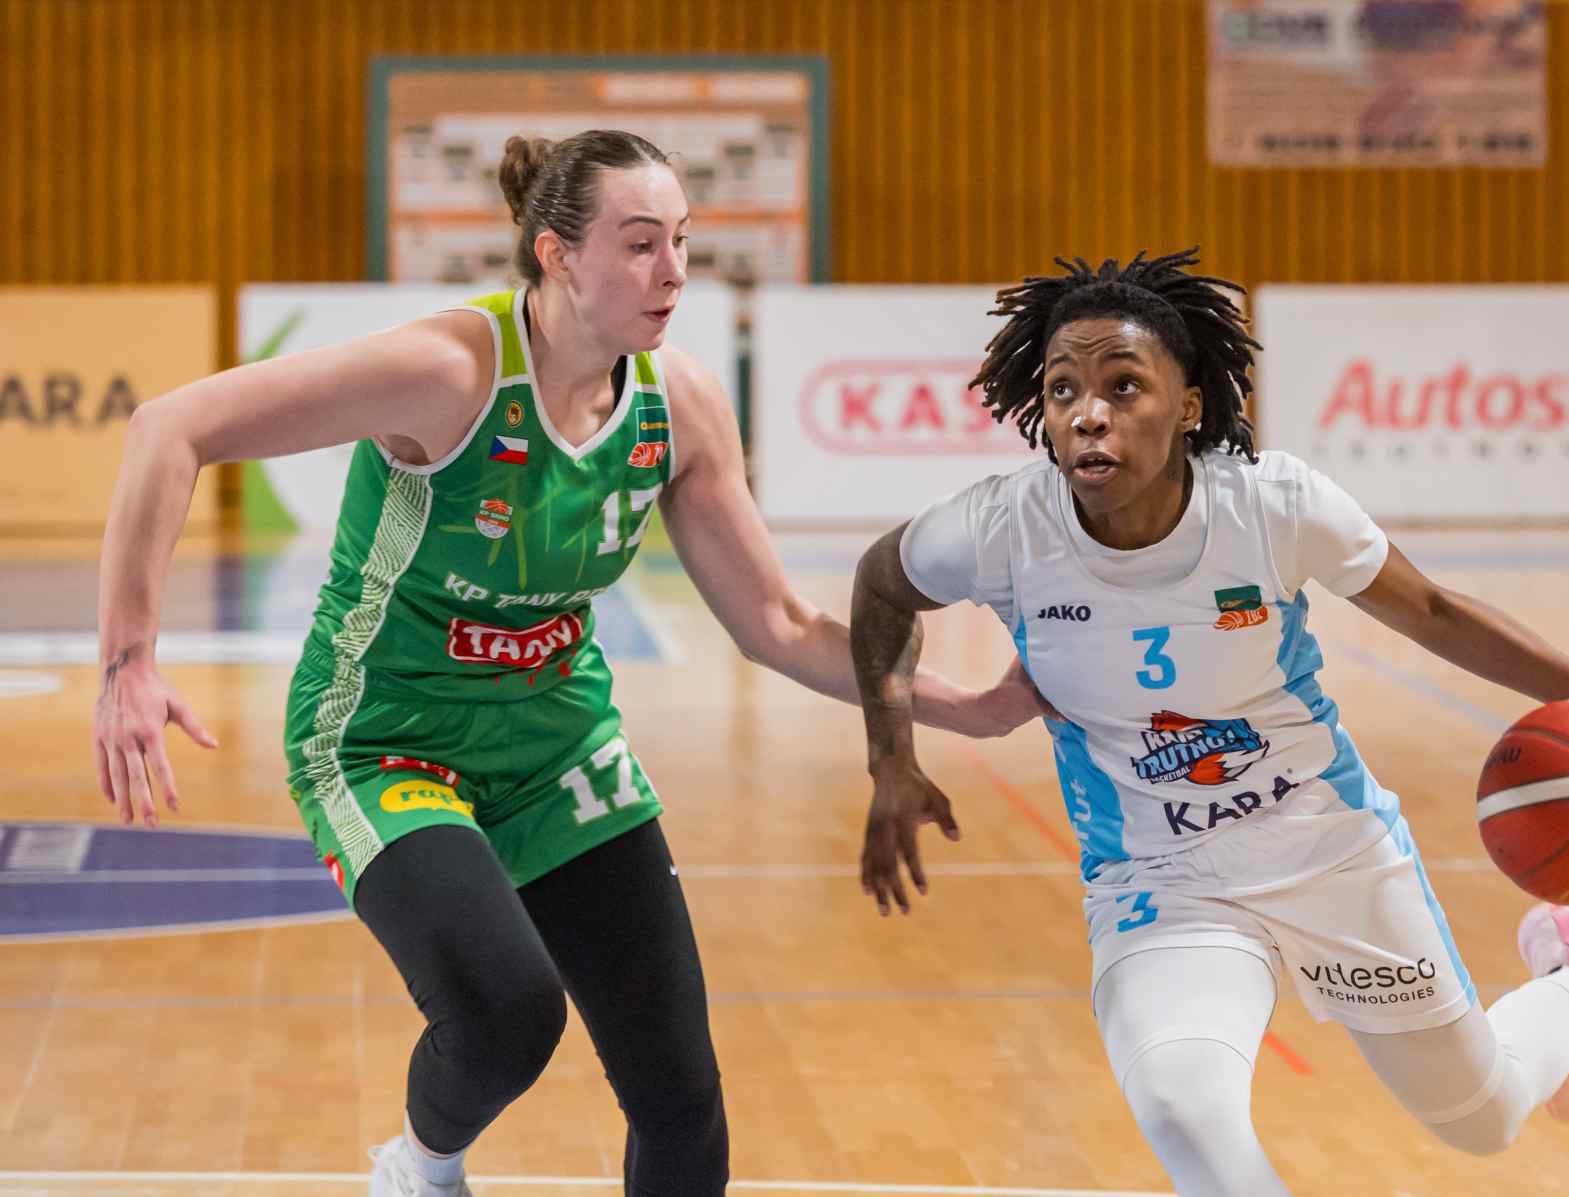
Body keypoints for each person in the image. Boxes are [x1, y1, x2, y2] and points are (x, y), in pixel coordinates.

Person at [91, 129, 1048, 1197]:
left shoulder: (678, 405)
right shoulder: (447, 371)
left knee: (682, 1104)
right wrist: (129, 661)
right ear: (555, 254)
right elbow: (170, 428)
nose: (673, 271)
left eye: (681, 240)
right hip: (382, 740)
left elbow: (779, 621)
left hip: (558, 751)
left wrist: (962, 707)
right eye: (640, 244)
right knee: (509, 1012)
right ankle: (420, 1168)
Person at [848, 249, 1569, 1195]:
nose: (1088, 412)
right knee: (1183, 1107)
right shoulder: (1004, 527)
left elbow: (1434, 612)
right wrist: (892, 758)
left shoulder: (1271, 505)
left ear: (1189, 406)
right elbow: (882, 587)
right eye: (1062, 390)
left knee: (1483, 1115)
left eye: (1123, 385)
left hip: (1327, 847)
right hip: (1159, 876)